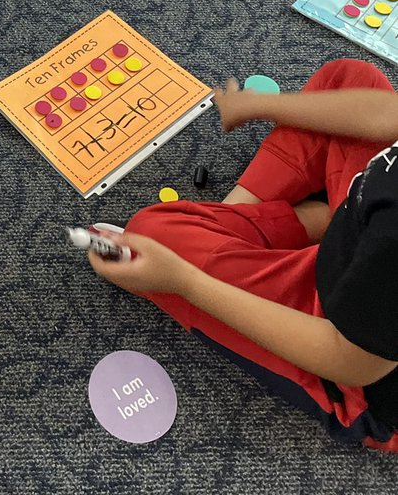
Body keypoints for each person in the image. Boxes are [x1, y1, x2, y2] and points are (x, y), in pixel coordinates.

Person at [85, 60, 398, 452]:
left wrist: (186, 282)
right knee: (349, 79)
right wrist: (261, 106)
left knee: (152, 233)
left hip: (349, 368)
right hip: (359, 239)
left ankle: (270, 227)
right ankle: (259, 226)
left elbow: (350, 361)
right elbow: (388, 115)